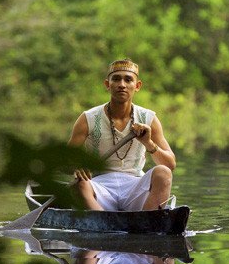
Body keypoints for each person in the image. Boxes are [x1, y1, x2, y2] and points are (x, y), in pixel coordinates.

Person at [68, 58, 176, 211]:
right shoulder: (88, 118)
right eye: (116, 79)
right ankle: (102, 222)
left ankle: (145, 222)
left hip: (135, 187)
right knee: (79, 184)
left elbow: (170, 164)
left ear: (137, 86)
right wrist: (77, 167)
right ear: (107, 84)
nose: (122, 85)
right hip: (99, 187)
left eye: (128, 79)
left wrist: (148, 143)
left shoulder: (149, 118)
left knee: (163, 173)